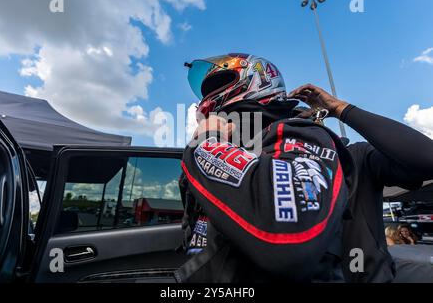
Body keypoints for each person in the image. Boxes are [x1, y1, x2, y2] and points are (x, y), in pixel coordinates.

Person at [177, 53, 433, 283]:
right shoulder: (231, 167)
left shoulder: (354, 157)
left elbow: (427, 159)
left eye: (218, 85)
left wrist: (341, 109)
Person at [176, 53, 355, 282]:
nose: (211, 95)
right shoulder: (243, 146)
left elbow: (288, 239)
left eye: (220, 84)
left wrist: (207, 143)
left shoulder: (298, 132)